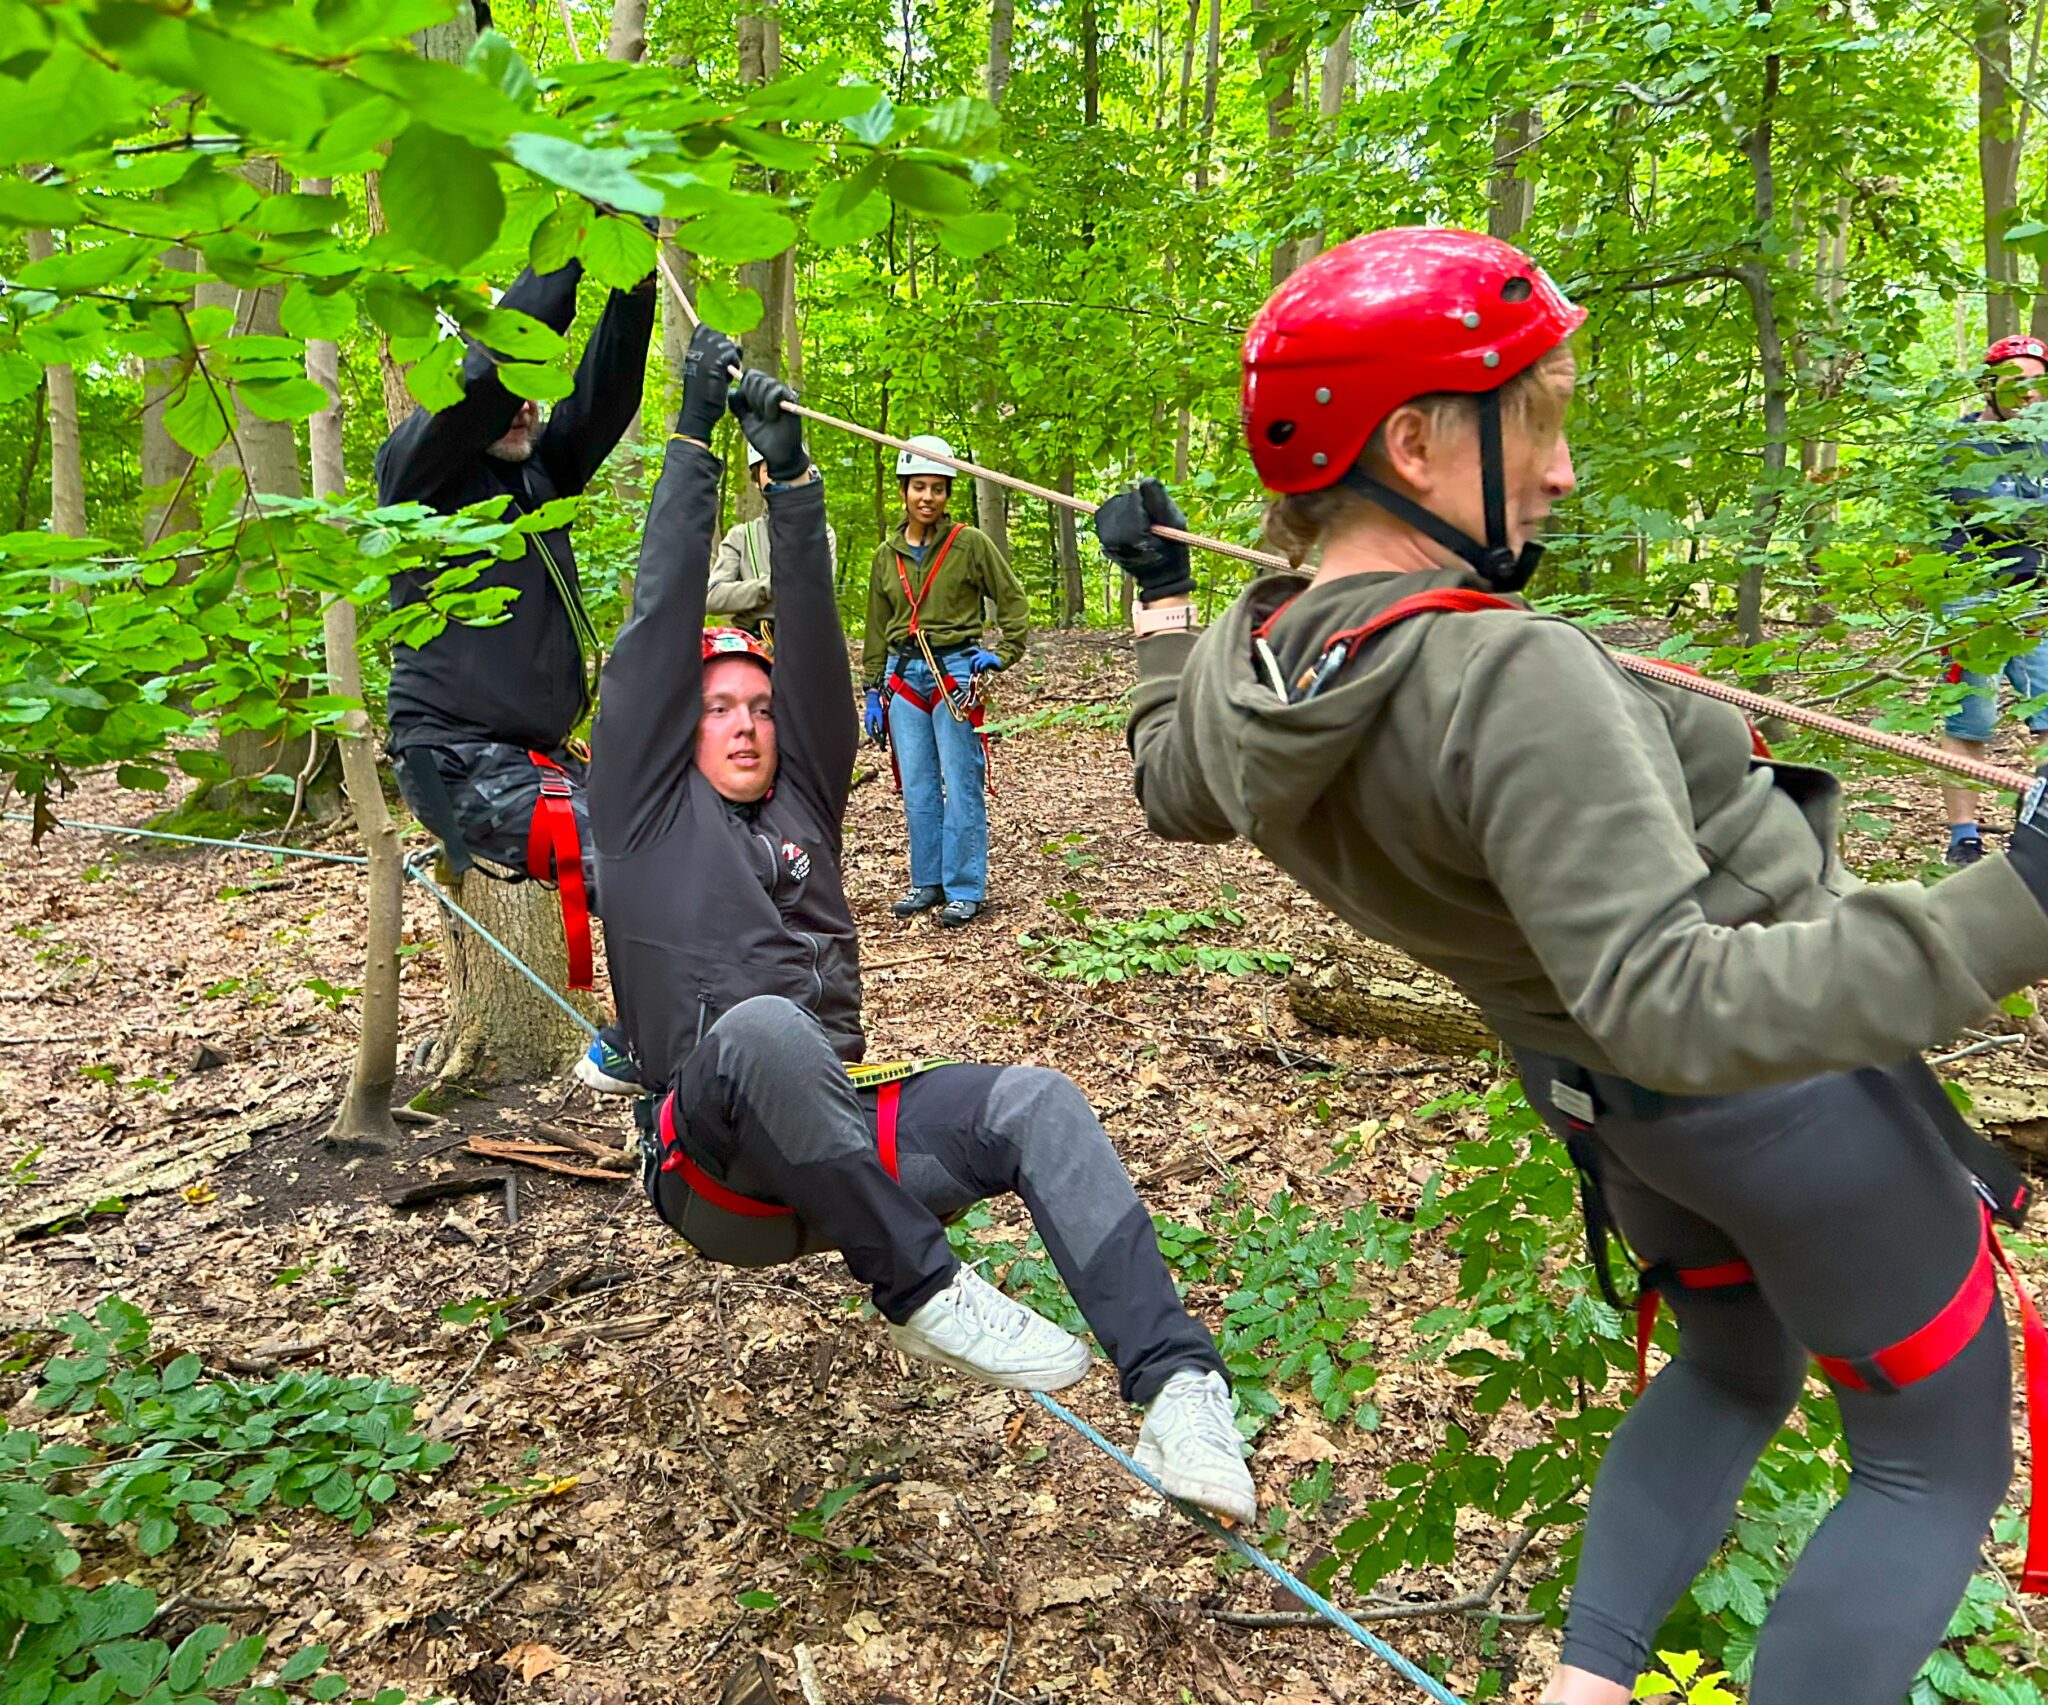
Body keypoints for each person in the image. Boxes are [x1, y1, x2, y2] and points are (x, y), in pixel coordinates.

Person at [1094, 226, 2048, 1705]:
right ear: (1414, 443)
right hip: (1767, 1096)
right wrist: (2023, 898)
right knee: (1930, 1464)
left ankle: (1584, 1689)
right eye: (1534, 417)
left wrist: (1160, 600)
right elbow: (1677, 995)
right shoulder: (1505, 673)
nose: (1561, 466)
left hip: (1611, 1114)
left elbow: (1166, 781)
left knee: (1738, 1369)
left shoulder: (1254, 665)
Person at [586, 329, 1256, 1525]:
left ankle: (1179, 1386)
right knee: (761, 1029)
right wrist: (689, 444)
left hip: (833, 1146)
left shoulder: (803, 797)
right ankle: (928, 1293)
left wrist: (793, 487)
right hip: (718, 1165)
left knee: (1033, 1102)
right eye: (715, 710)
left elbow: (814, 659)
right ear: (672, 734)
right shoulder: (639, 816)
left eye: (757, 706)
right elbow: (649, 639)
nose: (744, 724)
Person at [376, 255, 654, 1010]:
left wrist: (630, 266)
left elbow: (606, 390)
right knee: (639, 873)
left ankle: (670, 1039)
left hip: (540, 758)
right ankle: (675, 1047)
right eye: (513, 386)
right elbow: (479, 387)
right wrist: (571, 247)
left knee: (675, 843)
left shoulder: (537, 474)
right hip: (457, 759)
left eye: (534, 390)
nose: (525, 405)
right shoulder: (417, 474)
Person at [861, 436, 1029, 927]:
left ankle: (964, 888)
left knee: (961, 781)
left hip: (954, 670)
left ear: (947, 493)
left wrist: (1002, 654)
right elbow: (876, 624)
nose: (927, 497)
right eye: (918, 487)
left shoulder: (969, 544)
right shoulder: (885, 555)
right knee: (916, 787)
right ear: (903, 491)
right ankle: (927, 881)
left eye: (936, 488)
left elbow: (1012, 599)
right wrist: (873, 687)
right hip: (903, 675)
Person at [1936, 334, 2048, 866]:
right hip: (1971, 597)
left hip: (2038, 596)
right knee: (1968, 720)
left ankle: (2039, 830)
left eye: (2038, 383)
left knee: (2047, 717)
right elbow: (1950, 519)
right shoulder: (1959, 443)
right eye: (2015, 382)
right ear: (1991, 387)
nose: (2029, 394)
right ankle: (1964, 837)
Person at [706, 442, 840, 638]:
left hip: (805, 638)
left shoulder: (821, 533)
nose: (779, 478)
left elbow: (817, 592)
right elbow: (713, 597)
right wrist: (769, 586)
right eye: (769, 471)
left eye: (787, 470)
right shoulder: (741, 537)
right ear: (756, 480)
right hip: (752, 644)